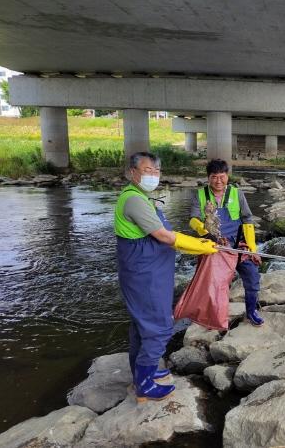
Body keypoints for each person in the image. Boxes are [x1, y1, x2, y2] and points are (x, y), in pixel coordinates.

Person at [115, 152, 217, 402]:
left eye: (156, 171)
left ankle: (142, 373)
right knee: (159, 326)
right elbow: (164, 237)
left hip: (151, 273)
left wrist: (196, 241)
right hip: (144, 275)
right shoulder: (135, 201)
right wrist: (199, 245)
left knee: (142, 325)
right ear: (132, 172)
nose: (153, 175)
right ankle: (145, 385)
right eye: (147, 170)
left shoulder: (143, 197)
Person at [189, 159, 264, 326]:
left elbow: (247, 219)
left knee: (252, 277)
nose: (218, 181)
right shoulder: (199, 194)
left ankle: (252, 311)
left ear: (227, 176)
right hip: (214, 245)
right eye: (214, 177)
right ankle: (212, 317)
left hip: (238, 244)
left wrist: (252, 246)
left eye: (222, 176)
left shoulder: (237, 193)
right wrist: (206, 232)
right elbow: (193, 219)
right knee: (214, 284)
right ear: (208, 177)